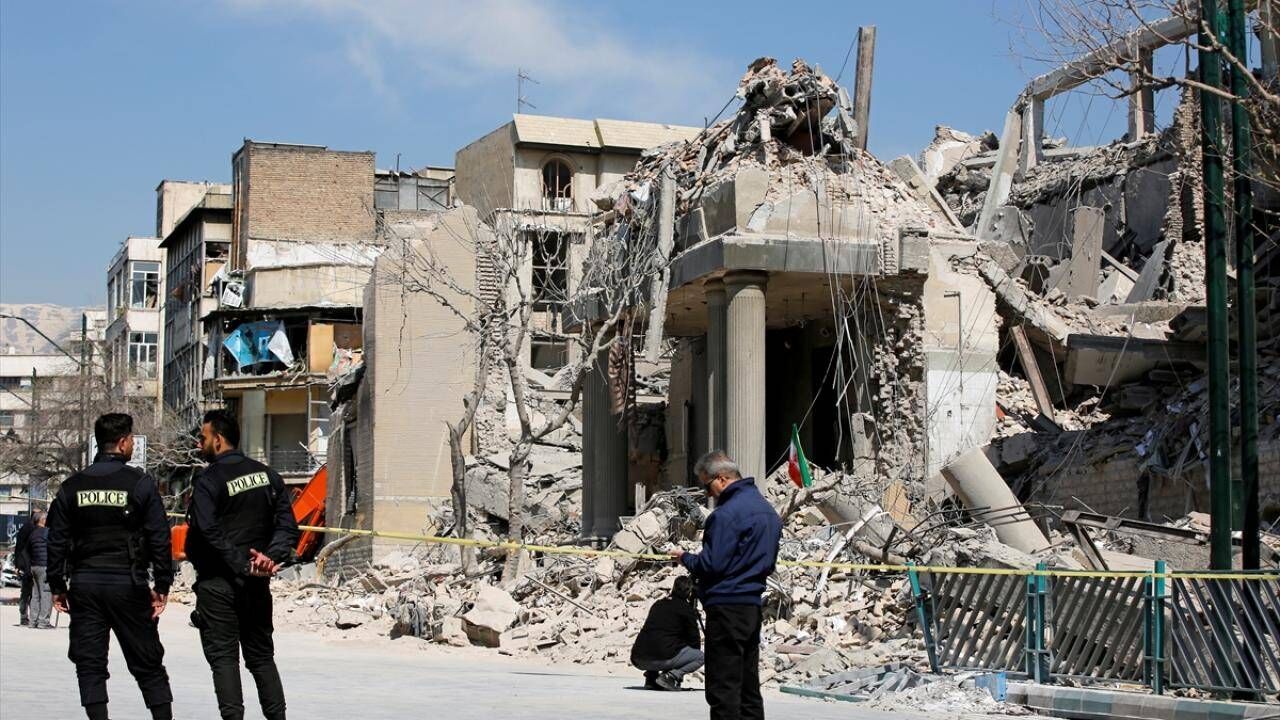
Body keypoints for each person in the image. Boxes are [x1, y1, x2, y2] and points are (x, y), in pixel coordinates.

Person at [46, 413, 175, 720]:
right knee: (147, 662)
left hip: (85, 584)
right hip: (127, 583)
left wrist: (57, 585)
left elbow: (56, 540)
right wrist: (162, 585)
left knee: (89, 663)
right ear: (122, 442)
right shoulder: (140, 484)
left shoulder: (71, 487)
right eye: (131, 439)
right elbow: (159, 537)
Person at [187, 409, 299, 720]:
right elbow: (288, 526)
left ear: (218, 439)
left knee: (224, 660)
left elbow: (207, 531)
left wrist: (243, 564)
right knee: (262, 658)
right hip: (256, 583)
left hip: (218, 584)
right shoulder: (267, 475)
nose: (199, 444)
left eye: (203, 437)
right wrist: (268, 558)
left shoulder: (208, 480)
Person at [670, 451, 782, 720]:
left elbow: (711, 564)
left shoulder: (725, 515)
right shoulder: (767, 511)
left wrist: (684, 557)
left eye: (707, 486)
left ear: (721, 479)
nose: (707, 493)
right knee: (748, 687)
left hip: (726, 607)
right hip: (751, 607)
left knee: (723, 688)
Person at [630, 575, 704, 691]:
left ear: (673, 588)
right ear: (689, 592)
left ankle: (651, 677)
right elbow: (694, 642)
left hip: (638, 657)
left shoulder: (658, 604)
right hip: (661, 658)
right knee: (700, 657)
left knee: (659, 639)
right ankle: (670, 677)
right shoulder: (685, 609)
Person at [27, 512, 53, 628]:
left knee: (36, 594)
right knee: (46, 593)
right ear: (43, 520)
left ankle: (33, 621)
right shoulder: (47, 532)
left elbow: (28, 550)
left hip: (34, 566)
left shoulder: (33, 533)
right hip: (44, 565)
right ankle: (43, 621)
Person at [14, 514, 35, 626]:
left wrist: (17, 565)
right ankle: (27, 617)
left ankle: (26, 617)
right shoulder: (31, 529)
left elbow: (18, 548)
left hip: (26, 564)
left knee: (27, 593)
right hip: (28, 564)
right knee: (29, 592)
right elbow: (19, 548)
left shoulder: (26, 528)